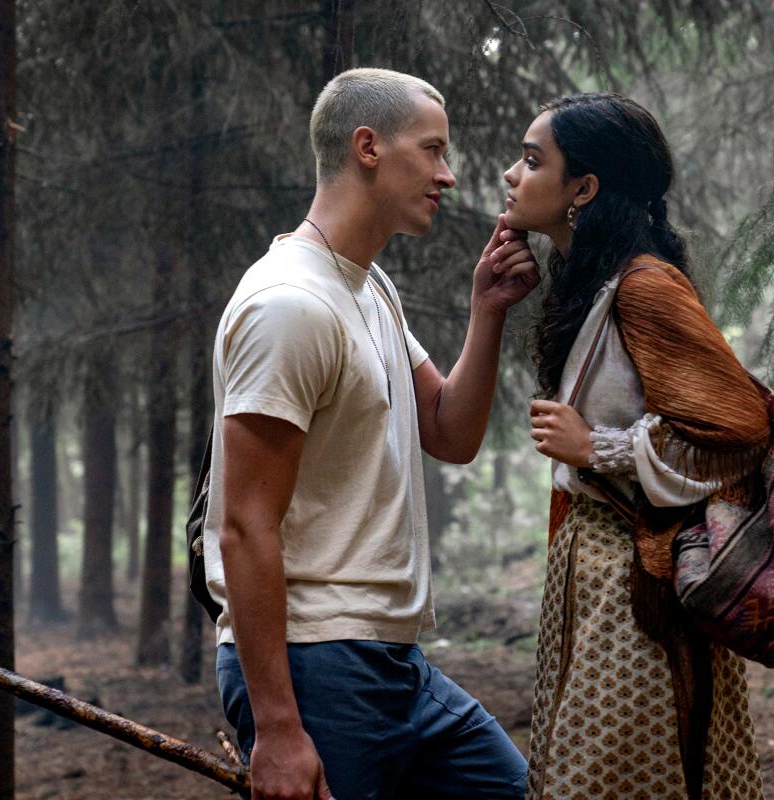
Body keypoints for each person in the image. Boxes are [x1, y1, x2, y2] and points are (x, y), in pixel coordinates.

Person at [204, 68, 539, 800]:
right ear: (368, 147)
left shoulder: (365, 284)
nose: (448, 176)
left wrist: (487, 312)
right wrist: (280, 730)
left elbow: (449, 432)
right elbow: (243, 525)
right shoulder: (289, 304)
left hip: (394, 663)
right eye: (433, 150)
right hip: (317, 666)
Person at [508, 92, 770, 799]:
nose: (512, 174)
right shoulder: (590, 284)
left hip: (641, 589)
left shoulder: (645, 288)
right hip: (595, 576)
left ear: (583, 189)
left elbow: (741, 426)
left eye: (533, 161)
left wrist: (599, 447)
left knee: (617, 776)